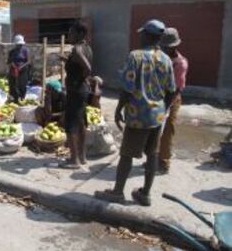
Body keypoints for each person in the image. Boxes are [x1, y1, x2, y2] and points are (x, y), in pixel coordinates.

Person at [95, 20, 176, 206]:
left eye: (142, 33)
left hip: (138, 116)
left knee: (126, 155)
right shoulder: (166, 59)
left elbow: (127, 88)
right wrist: (162, 109)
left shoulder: (135, 56)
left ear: (148, 35)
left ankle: (117, 193)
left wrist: (118, 109)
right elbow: (172, 90)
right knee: (152, 155)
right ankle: (145, 194)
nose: (139, 36)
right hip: (157, 116)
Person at [60, 21, 93, 169]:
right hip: (82, 90)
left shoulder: (77, 49)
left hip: (76, 91)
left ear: (80, 34)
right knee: (81, 123)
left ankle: (74, 161)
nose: (69, 35)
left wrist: (79, 80)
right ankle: (82, 157)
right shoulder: (87, 48)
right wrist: (67, 61)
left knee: (71, 125)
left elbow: (87, 68)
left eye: (72, 33)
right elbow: (80, 66)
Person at [158, 28, 188, 174]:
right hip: (158, 97)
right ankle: (154, 158)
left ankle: (164, 162)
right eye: (163, 46)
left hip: (171, 99)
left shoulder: (180, 63)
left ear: (175, 46)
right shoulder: (161, 57)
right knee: (155, 130)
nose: (164, 49)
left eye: (167, 47)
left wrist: (165, 108)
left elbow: (175, 89)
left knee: (168, 130)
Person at [8, 35, 30, 103]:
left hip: (23, 69)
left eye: (20, 45)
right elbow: (9, 61)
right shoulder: (12, 52)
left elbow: (28, 61)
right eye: (18, 45)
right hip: (14, 70)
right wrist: (14, 67)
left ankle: (22, 97)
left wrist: (21, 67)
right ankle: (15, 98)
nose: (19, 46)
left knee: (22, 84)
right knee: (13, 85)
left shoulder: (25, 51)